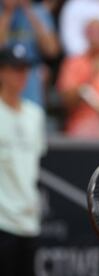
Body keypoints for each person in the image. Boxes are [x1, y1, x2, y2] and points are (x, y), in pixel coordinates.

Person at [0, 44, 46, 276]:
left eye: (25, 69)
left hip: (29, 223)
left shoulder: (35, 114)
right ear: (1, 72)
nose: (21, 75)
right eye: (14, 68)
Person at [0, 0, 59, 106]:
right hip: (4, 70)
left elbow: (52, 50)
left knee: (32, 113)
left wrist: (29, 10)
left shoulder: (39, 11)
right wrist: (8, 12)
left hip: (31, 71)